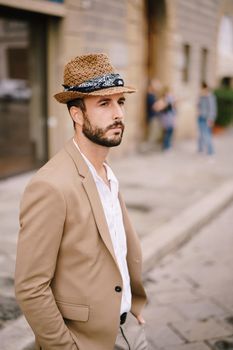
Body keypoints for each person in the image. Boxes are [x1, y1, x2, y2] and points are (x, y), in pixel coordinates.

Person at [14, 53, 148, 350]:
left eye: (120, 102)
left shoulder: (107, 173)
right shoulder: (50, 186)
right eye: (104, 103)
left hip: (131, 329)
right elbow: (30, 287)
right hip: (86, 342)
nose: (118, 114)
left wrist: (134, 306)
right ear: (77, 114)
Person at [197, 82, 217, 155]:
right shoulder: (201, 96)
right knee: (201, 134)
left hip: (206, 118)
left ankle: (210, 152)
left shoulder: (210, 97)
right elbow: (198, 106)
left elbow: (212, 109)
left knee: (206, 135)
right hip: (200, 117)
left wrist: (211, 119)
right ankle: (200, 149)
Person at [154, 86, 176, 150]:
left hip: (170, 117)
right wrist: (163, 107)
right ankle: (166, 146)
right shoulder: (163, 99)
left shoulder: (170, 99)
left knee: (170, 132)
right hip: (166, 118)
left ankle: (168, 145)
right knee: (167, 132)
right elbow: (156, 107)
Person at [146, 79, 162, 146]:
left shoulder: (153, 94)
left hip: (155, 116)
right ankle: (148, 147)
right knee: (152, 133)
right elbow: (155, 107)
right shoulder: (149, 95)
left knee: (155, 133)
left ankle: (151, 146)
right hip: (152, 116)